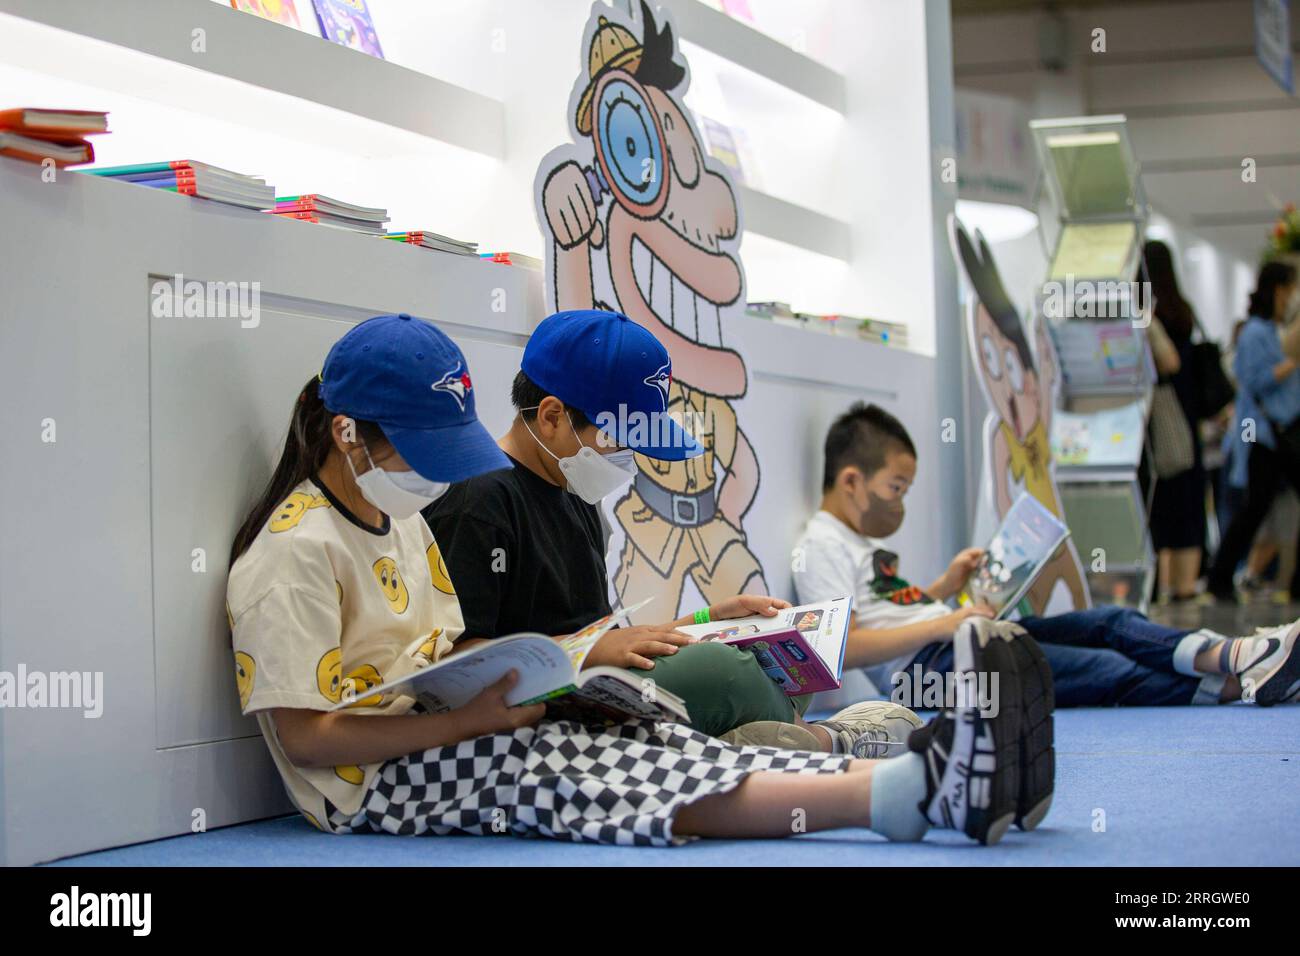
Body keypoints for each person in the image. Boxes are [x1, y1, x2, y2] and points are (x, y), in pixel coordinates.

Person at [225, 312, 1051, 847]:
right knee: (596, 781)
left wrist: (492, 704)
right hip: (378, 780)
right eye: (425, 455)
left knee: (651, 752)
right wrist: (464, 722)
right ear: (348, 434)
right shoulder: (293, 554)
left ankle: (916, 773)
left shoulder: (398, 520)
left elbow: (445, 648)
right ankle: (908, 785)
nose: (437, 480)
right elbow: (304, 739)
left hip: (460, 723)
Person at [425, 309, 919, 756]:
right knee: (726, 675)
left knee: (774, 662)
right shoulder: (480, 501)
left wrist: (707, 621)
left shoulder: (575, 493)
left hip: (595, 682)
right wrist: (594, 650)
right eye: (619, 440)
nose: (628, 460)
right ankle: (826, 741)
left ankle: (762, 746)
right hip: (537, 707)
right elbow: (457, 664)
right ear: (552, 416)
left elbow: (613, 640)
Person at [793, 402, 1300, 716]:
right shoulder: (821, 544)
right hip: (929, 671)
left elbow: (887, 611)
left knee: (1111, 621)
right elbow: (842, 650)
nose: (898, 501)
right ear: (852, 481)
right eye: (895, 487)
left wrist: (946, 587)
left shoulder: (855, 542)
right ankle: (1238, 685)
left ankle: (1235, 656)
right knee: (1105, 670)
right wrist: (942, 625)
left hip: (955, 643)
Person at [1207, 261, 1300, 602]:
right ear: (1278, 290)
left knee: (1256, 507)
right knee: (1252, 507)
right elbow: (1255, 381)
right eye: (1290, 288)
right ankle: (1222, 575)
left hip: (1274, 432)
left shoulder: (1269, 331)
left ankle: (1228, 575)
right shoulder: (1257, 333)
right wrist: (1292, 360)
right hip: (1261, 433)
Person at [1140, 241, 1208, 601]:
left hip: (1161, 420)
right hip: (1184, 418)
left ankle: (1166, 588)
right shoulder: (1183, 311)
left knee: (1161, 503)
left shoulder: (1153, 315)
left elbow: (1170, 364)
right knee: (1185, 504)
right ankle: (1184, 588)